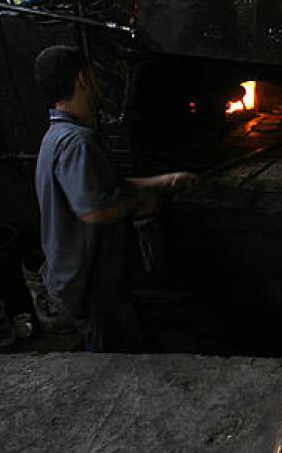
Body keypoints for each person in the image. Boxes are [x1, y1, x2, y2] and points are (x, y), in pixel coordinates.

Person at [34, 45, 199, 352]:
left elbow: (101, 186)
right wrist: (141, 203)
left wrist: (163, 182)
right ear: (83, 79)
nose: (98, 82)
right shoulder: (77, 143)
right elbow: (95, 210)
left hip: (74, 277)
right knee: (110, 356)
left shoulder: (55, 136)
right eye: (94, 75)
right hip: (92, 284)